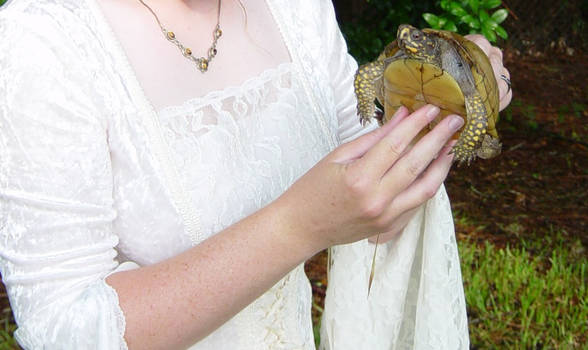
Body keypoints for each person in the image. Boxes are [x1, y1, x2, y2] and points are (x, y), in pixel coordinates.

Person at [0, 0, 512, 349]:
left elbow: (372, 212)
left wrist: (452, 95)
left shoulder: (296, 8)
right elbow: (63, 328)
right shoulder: (43, 42)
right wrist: (296, 226)